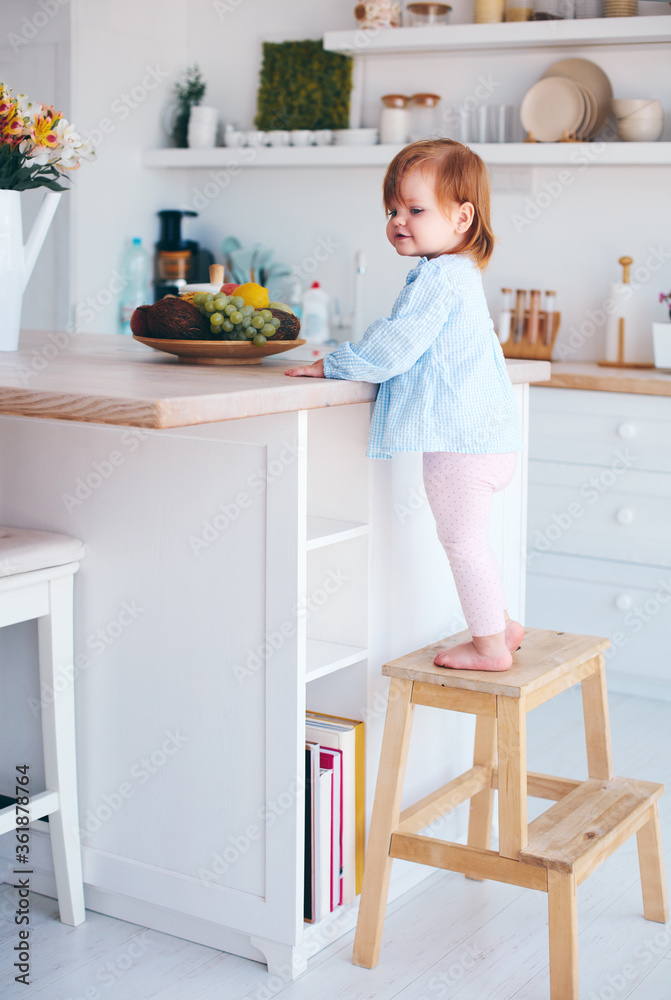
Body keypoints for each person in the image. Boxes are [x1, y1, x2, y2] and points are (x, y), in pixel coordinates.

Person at [285, 139, 524, 671]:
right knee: (472, 543)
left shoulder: (440, 277)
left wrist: (335, 363)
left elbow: (395, 347)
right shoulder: (457, 273)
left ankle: (490, 647)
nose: (398, 220)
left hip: (461, 446)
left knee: (462, 546)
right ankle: (502, 625)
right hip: (488, 441)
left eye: (415, 210)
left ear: (463, 218)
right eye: (392, 210)